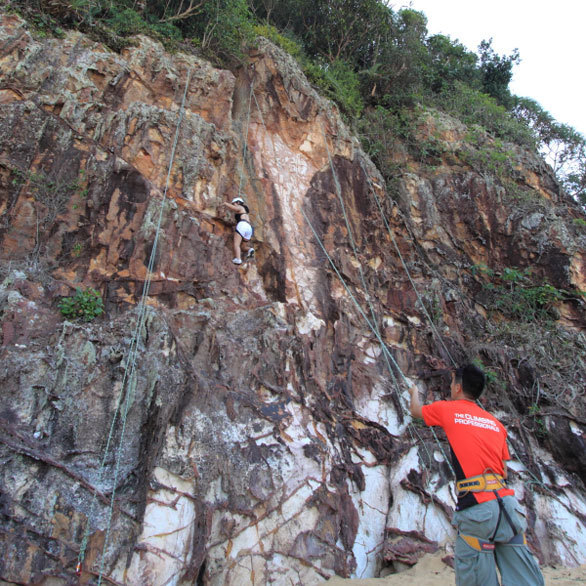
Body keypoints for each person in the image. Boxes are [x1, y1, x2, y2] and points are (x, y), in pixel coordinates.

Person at [409, 364, 545, 586]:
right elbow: (501, 466)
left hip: (478, 508)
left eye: (452, 381)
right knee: (524, 577)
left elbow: (416, 411)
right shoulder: (496, 424)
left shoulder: (448, 409)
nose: (451, 386)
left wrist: (414, 392)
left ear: (458, 387)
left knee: (476, 575)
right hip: (508, 506)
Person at [220, 197, 254, 265]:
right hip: (249, 228)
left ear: (238, 202)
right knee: (243, 247)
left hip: (242, 225)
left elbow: (235, 208)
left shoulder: (240, 207)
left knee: (236, 244)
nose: (233, 204)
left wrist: (225, 203)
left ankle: (238, 259)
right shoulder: (245, 213)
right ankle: (250, 250)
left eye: (234, 203)